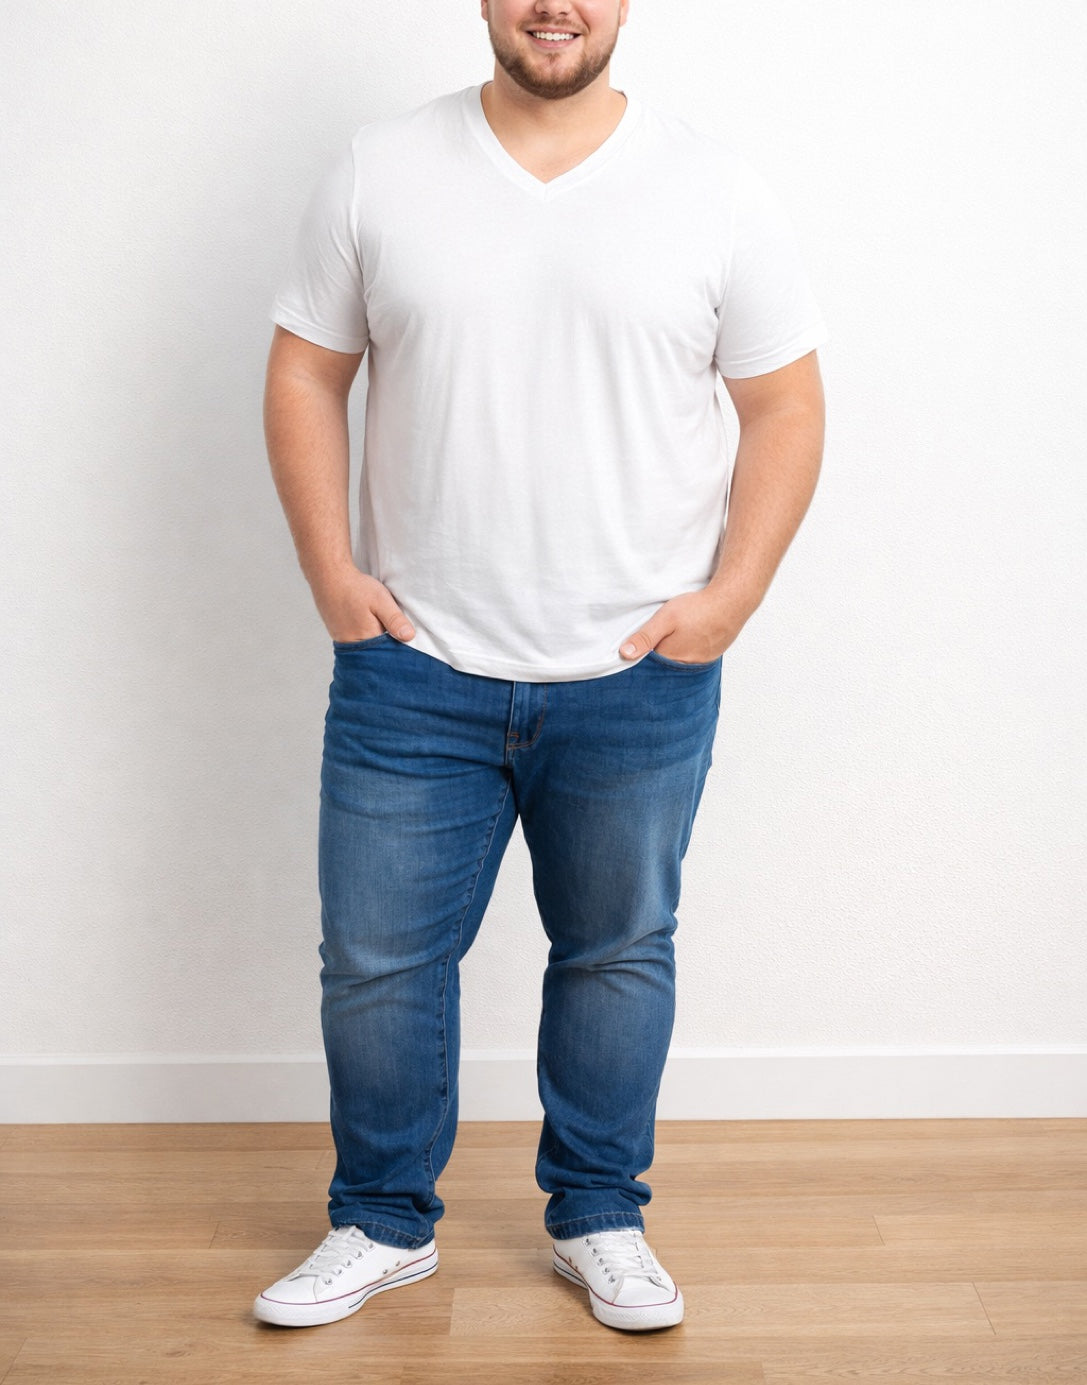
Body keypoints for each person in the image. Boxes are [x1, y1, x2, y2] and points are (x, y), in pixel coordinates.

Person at [254, 0, 826, 1334]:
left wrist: (730, 596)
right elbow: (302, 371)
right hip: (415, 670)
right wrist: (332, 574)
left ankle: (600, 1213)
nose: (551, 5)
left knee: (619, 949)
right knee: (378, 961)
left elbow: (786, 400)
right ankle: (380, 1218)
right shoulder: (380, 169)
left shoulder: (713, 187)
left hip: (637, 675)